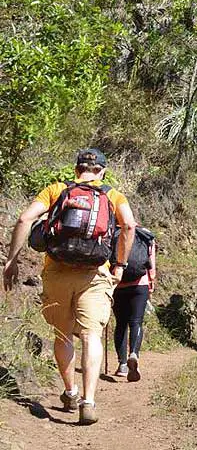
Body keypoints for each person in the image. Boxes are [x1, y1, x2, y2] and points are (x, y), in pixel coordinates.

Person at [3, 148, 137, 425]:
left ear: (76, 170)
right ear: (102, 171)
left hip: (56, 271)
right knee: (91, 336)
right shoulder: (113, 195)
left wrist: (11, 261)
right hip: (94, 275)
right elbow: (129, 227)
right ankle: (88, 401)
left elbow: (24, 219)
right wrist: (120, 265)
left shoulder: (55, 190)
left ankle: (70, 391)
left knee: (62, 335)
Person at [112, 227, 156, 382]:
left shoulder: (113, 232)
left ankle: (122, 365)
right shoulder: (145, 234)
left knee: (121, 324)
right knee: (136, 322)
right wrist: (151, 284)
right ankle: (134, 354)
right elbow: (151, 262)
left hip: (118, 284)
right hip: (140, 284)